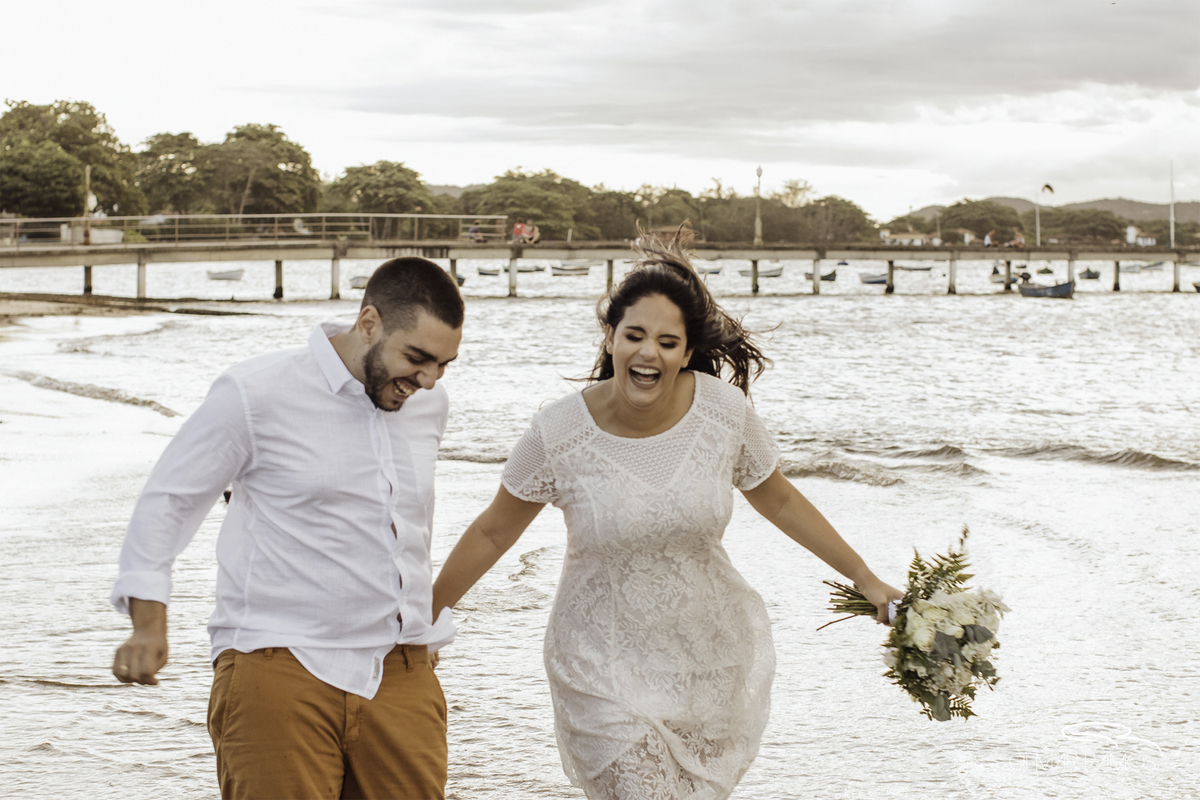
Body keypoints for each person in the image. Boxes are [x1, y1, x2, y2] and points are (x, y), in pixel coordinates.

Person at [432, 233, 902, 800]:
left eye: (667, 341)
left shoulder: (723, 412)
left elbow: (778, 497)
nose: (647, 353)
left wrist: (866, 578)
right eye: (633, 335)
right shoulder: (558, 432)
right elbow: (493, 529)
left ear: (685, 352)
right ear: (611, 337)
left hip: (707, 663)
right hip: (599, 665)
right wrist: (423, 615)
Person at [110, 257, 464, 800]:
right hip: (278, 664)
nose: (428, 379)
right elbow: (169, 501)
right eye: (417, 358)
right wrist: (148, 622)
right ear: (368, 324)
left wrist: (414, 615)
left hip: (400, 673)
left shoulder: (427, 403)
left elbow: (409, 526)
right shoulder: (256, 392)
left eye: (444, 364)